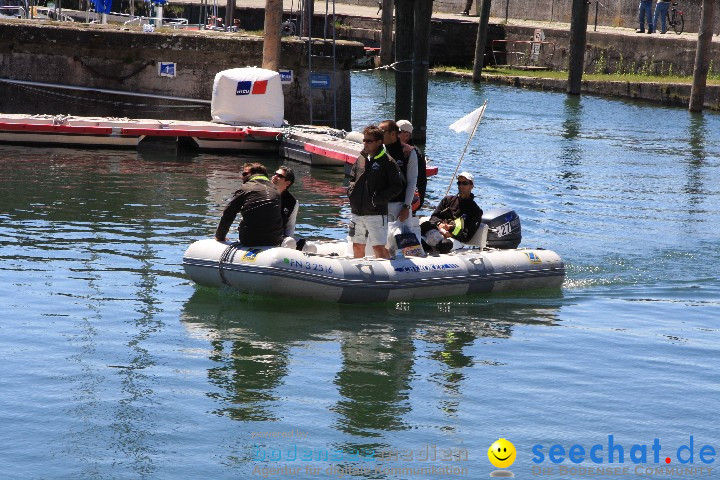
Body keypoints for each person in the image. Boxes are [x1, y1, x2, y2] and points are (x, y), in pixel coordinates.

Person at [347, 125, 404, 259]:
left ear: (379, 142)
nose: (365, 143)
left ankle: (388, 274)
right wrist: (351, 192)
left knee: (378, 247)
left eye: (369, 141)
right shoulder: (360, 158)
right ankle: (358, 275)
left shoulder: (388, 162)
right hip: (357, 211)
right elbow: (352, 178)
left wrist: (378, 199)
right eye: (364, 140)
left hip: (376, 213)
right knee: (357, 245)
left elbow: (397, 186)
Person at [215, 162, 283, 247]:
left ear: (252, 175)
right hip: (274, 240)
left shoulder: (245, 188)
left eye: (244, 174)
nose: (241, 177)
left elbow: (229, 213)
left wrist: (220, 237)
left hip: (251, 239)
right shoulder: (276, 191)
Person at [420, 171, 483, 254]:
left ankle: (431, 246)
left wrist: (450, 233)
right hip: (439, 231)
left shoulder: (475, 211)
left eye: (465, 183)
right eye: (459, 183)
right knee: (424, 225)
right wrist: (440, 224)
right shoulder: (447, 200)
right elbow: (434, 217)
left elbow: (466, 236)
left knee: (445, 244)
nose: (461, 186)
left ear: (471, 186)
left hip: (455, 238)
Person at [380, 119, 418, 227]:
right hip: (381, 204)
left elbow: (412, 181)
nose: (378, 135)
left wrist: (407, 206)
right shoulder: (378, 151)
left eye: (381, 132)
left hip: (400, 205)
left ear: (393, 134)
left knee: (403, 241)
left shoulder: (409, 152)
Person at [396, 119, 428, 211]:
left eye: (397, 132)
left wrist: (407, 205)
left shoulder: (413, 153)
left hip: (411, 200)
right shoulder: (398, 149)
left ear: (407, 135)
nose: (393, 134)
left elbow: (413, 181)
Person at [271, 166, 298, 238]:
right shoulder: (262, 194)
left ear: (288, 183)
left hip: (279, 237)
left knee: (309, 246)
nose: (274, 176)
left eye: (279, 176)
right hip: (261, 235)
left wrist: (288, 239)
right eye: (275, 174)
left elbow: (290, 225)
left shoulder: (292, 202)